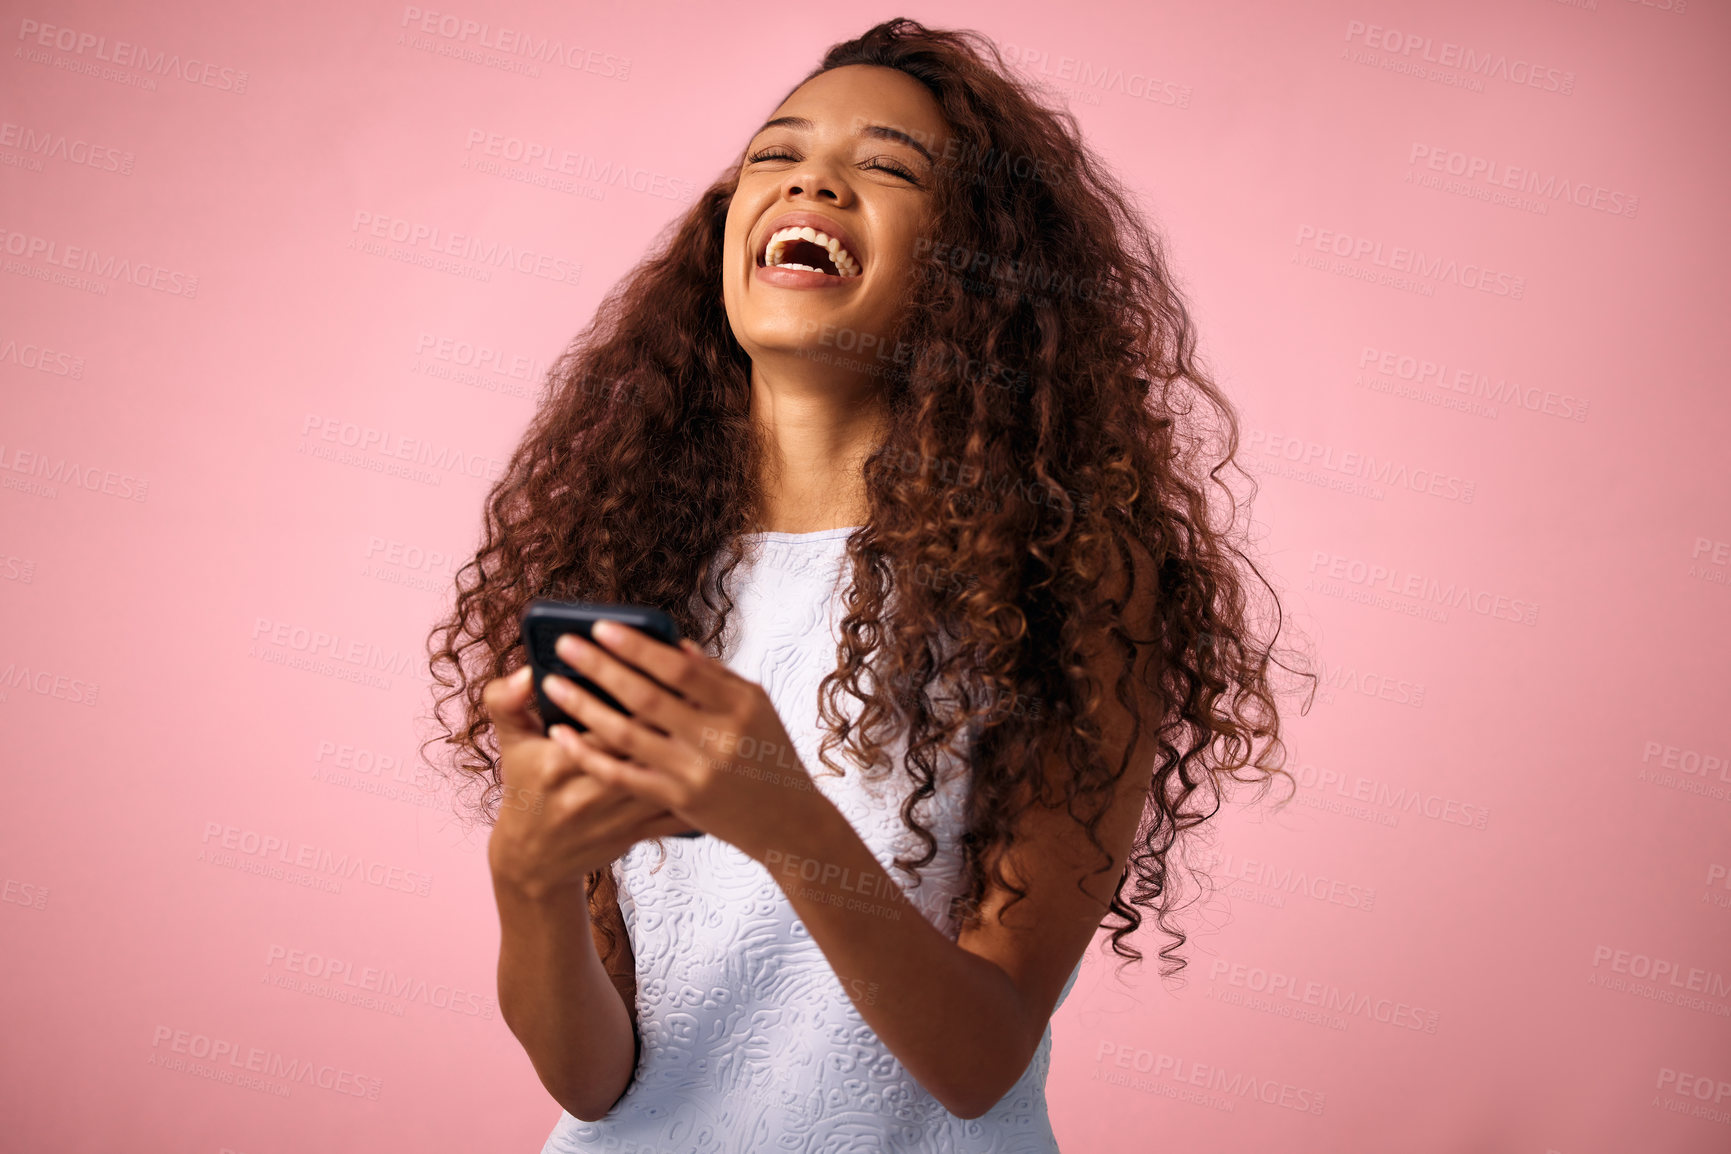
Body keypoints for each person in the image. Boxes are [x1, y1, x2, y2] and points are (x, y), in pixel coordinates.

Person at [423, 17, 1306, 1153]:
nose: (815, 181)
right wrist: (528, 877)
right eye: (775, 154)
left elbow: (978, 1060)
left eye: (887, 166)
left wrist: (781, 812)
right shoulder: (631, 564)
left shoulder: (1067, 576)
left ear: (977, 266)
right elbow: (598, 1082)